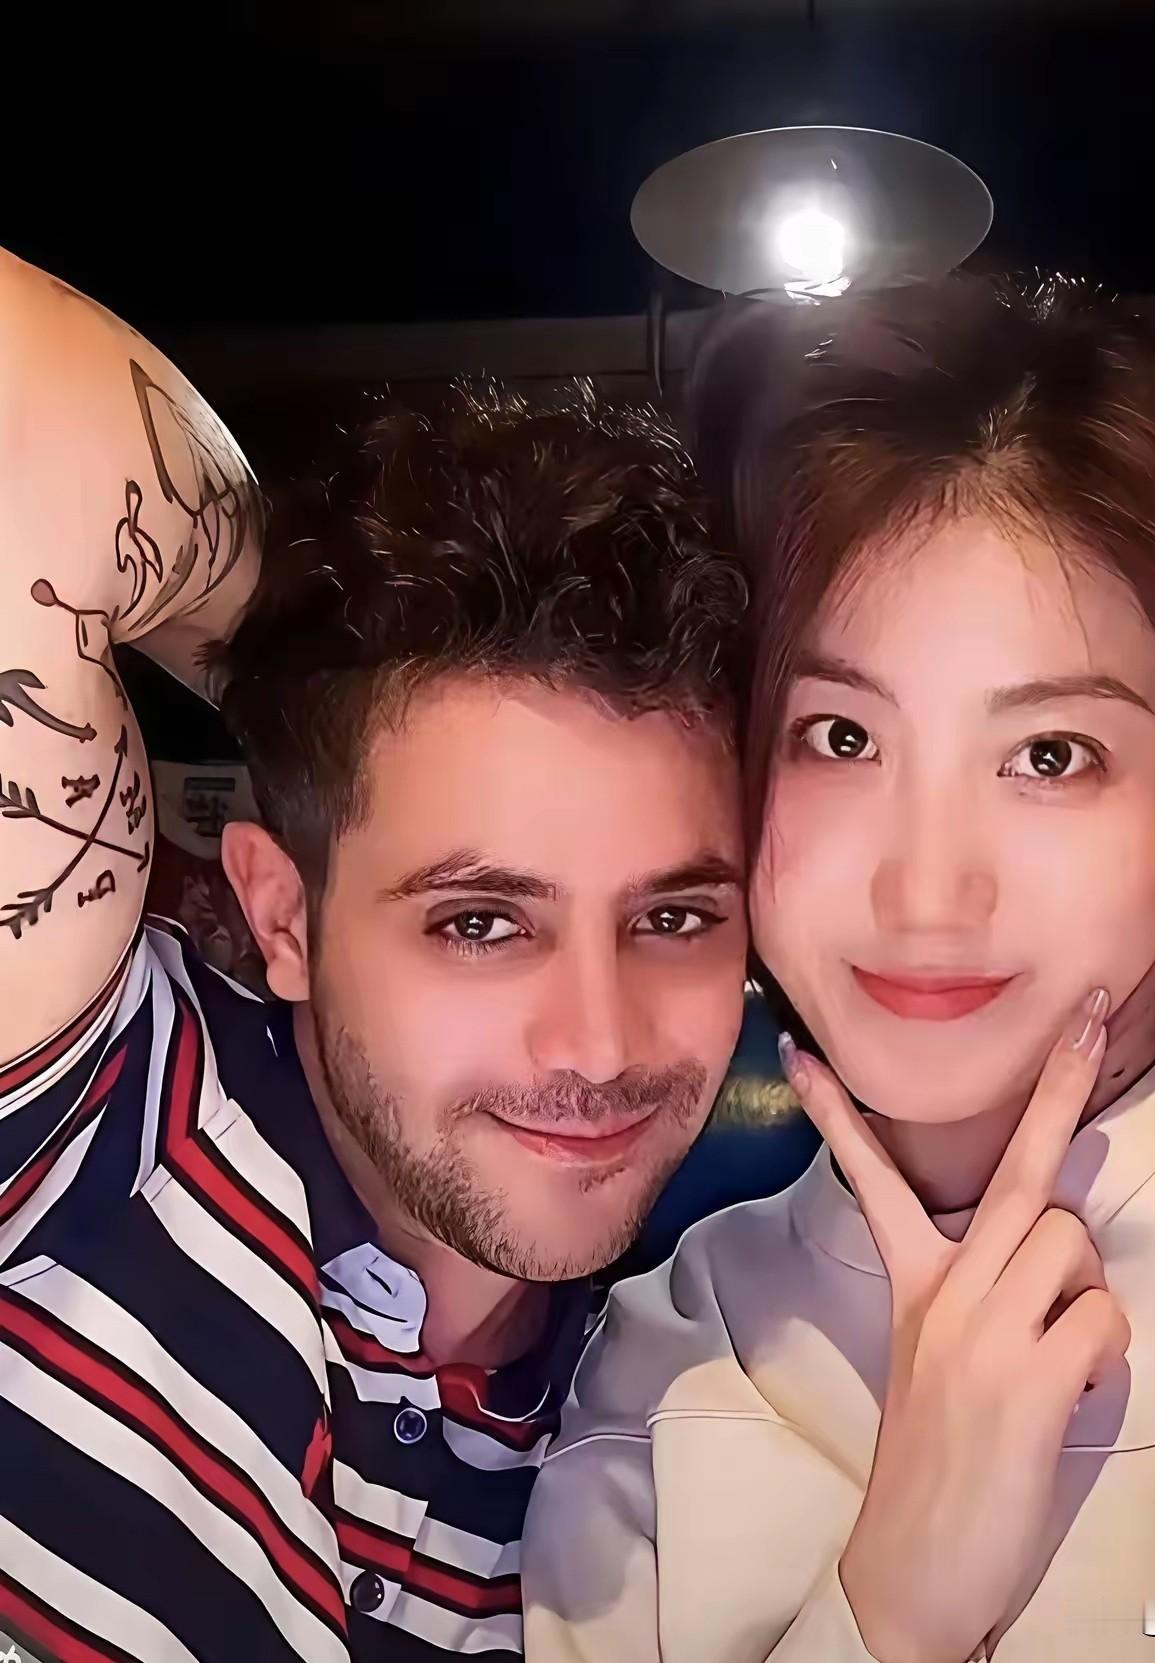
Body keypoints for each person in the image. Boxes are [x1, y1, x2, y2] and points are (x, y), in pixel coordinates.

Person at [0, 247, 748, 1661]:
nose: (599, 1044)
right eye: (480, 922)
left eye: (673, 918)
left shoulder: (665, 1433)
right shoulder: (98, 1111)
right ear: (284, 917)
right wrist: (299, 670)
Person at [521, 276, 1155, 1662]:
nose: (926, 892)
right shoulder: (664, 1368)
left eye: (1051, 755)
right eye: (842, 739)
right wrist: (892, 1607)